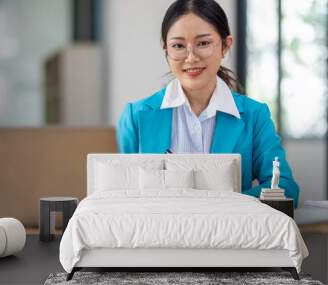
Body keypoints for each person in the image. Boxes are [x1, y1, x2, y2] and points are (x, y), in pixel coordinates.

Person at [116, 0, 300, 207]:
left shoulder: (255, 115)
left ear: (225, 46)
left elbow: (285, 187)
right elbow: (124, 195)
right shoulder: (136, 117)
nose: (191, 57)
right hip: (159, 235)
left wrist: (219, 205)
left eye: (203, 43)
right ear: (166, 50)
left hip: (232, 233)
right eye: (178, 46)